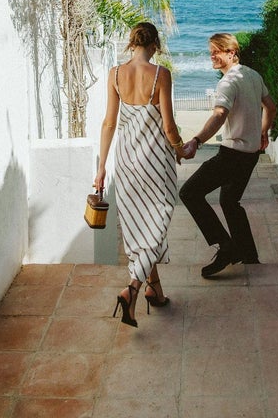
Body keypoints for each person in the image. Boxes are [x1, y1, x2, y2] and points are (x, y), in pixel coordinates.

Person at [94, 21, 190, 327]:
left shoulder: (115, 75)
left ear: (131, 43)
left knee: (139, 226)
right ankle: (132, 287)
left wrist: (101, 168)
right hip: (155, 161)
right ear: (155, 45)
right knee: (158, 221)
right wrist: (180, 149)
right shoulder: (161, 75)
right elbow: (169, 126)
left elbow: (109, 123)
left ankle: (155, 292)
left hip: (125, 161)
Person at [179, 32, 277, 278]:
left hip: (232, 155)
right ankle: (249, 257)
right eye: (211, 51)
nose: (212, 56)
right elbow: (271, 107)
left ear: (232, 53)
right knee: (230, 202)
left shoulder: (228, 82)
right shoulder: (252, 75)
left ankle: (227, 247)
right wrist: (263, 132)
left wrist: (196, 140)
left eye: (217, 51)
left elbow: (219, 114)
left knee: (189, 192)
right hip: (250, 154)